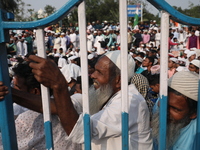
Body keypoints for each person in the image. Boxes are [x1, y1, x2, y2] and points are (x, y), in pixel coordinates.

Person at [1, 51, 153, 149]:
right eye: (94, 70)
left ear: (118, 80)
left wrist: (59, 85)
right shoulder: (102, 95)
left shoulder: (129, 101)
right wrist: (9, 92)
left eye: (99, 72)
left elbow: (81, 133)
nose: (93, 75)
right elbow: (56, 106)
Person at [0, 61, 81, 150]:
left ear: (35, 92)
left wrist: (9, 92)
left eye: (17, 87)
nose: (14, 89)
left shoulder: (27, 120)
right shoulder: (72, 103)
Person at [152, 71, 198, 150]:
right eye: (163, 104)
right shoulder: (159, 105)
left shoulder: (196, 134)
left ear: (193, 114)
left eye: (175, 109)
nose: (165, 112)